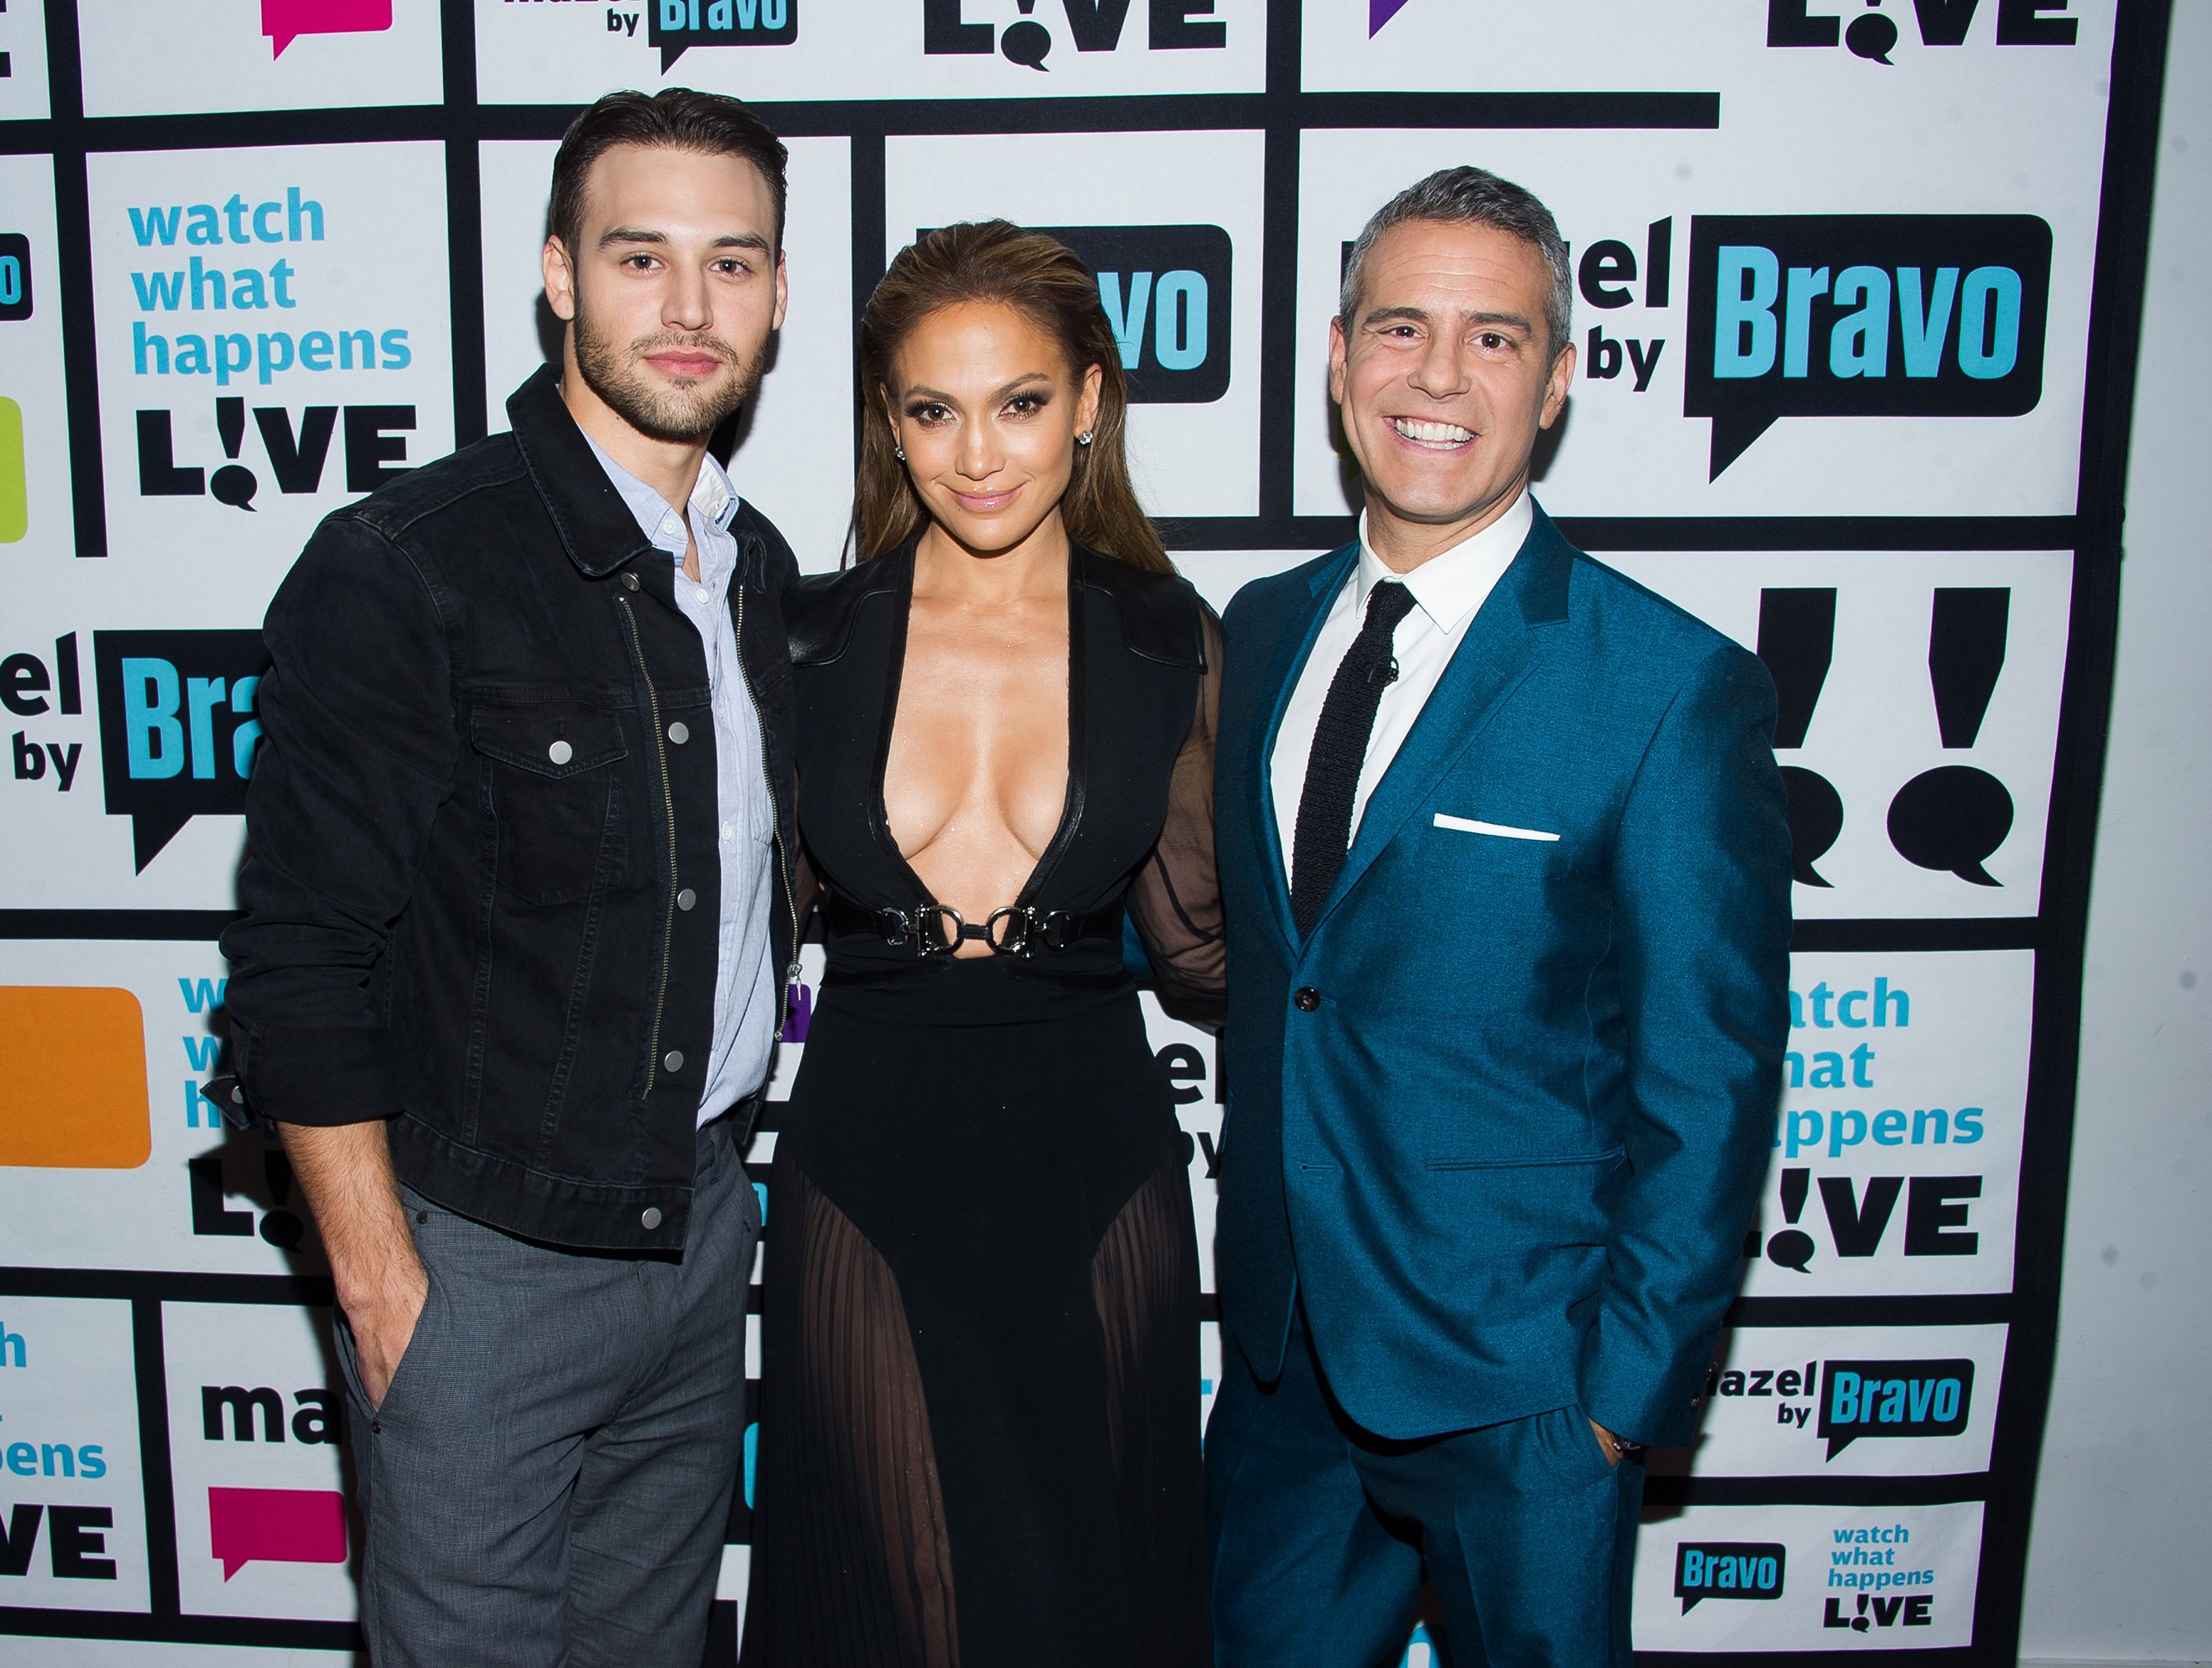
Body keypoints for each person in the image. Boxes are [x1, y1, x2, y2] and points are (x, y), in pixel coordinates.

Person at [214, 89, 798, 1668]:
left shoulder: (758, 570)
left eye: (731, 264)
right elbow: (297, 960)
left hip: (697, 1228)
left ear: (779, 294)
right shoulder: (411, 562)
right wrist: (381, 1281)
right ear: (556, 273)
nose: (688, 310)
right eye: (639, 257)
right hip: (478, 1263)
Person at [1204, 166, 1792, 1665]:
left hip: (1527, 1383)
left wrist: (1618, 1401)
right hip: (1281, 1373)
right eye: (1399, 329)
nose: (1438, 378)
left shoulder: (1666, 686)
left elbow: (1709, 1072)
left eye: (1495, 338)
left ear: (1558, 382)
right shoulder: (1263, 628)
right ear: (1337, 360)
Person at [745, 220, 1223, 1668]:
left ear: (1089, 400)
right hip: (867, 1174)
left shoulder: (1169, 639)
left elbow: (1207, 949)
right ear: (889, 423)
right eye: (933, 411)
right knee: (884, 1609)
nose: (977, 454)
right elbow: (720, 937)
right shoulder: (803, 639)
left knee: (1094, 1601)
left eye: (1018, 402)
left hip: (1097, 1173)